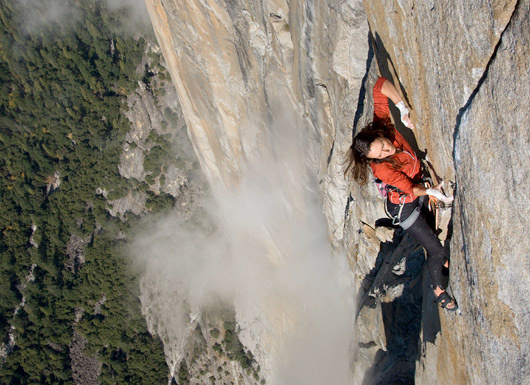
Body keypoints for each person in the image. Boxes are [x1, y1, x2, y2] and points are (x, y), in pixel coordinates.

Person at [347, 76, 457, 311]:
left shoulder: (382, 124)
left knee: (441, 255)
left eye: (384, 144)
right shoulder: (383, 168)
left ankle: (439, 274)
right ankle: (439, 292)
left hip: (414, 195)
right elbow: (410, 189)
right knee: (436, 250)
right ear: (374, 160)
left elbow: (379, 86)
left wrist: (402, 108)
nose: (389, 149)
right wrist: (430, 191)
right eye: (382, 154)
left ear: (377, 133)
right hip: (404, 208)